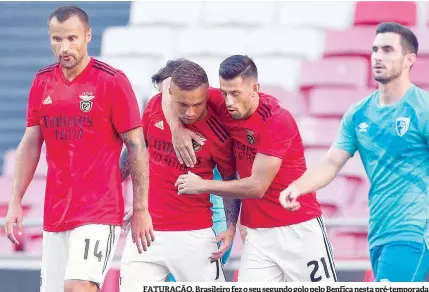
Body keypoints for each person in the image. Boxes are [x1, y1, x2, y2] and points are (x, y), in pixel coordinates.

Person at [4, 6, 152, 292]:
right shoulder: (42, 82)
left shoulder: (112, 81)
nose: (64, 47)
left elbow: (136, 146)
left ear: (88, 36)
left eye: (72, 38)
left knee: (78, 287)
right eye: (57, 39)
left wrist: (141, 208)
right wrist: (15, 200)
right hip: (56, 212)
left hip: (99, 211)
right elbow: (31, 144)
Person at [279, 22, 429, 282]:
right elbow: (331, 163)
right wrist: (299, 187)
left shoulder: (422, 109)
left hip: (413, 231)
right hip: (380, 231)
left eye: (387, 50)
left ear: (409, 60)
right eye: (375, 50)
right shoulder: (358, 113)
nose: (378, 57)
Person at [167, 55, 337, 282]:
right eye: (225, 92)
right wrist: (176, 128)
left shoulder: (276, 120)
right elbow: (167, 90)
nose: (228, 101)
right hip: (258, 235)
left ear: (255, 88)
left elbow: (257, 186)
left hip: (298, 229)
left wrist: (203, 186)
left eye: (235, 93)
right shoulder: (220, 102)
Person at [119, 60, 239, 288]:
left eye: (198, 104)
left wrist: (230, 226)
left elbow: (228, 179)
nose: (191, 112)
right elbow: (136, 152)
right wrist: (123, 197)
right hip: (147, 231)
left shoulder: (218, 133)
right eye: (183, 104)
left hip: (195, 235)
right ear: (170, 94)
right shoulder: (154, 107)